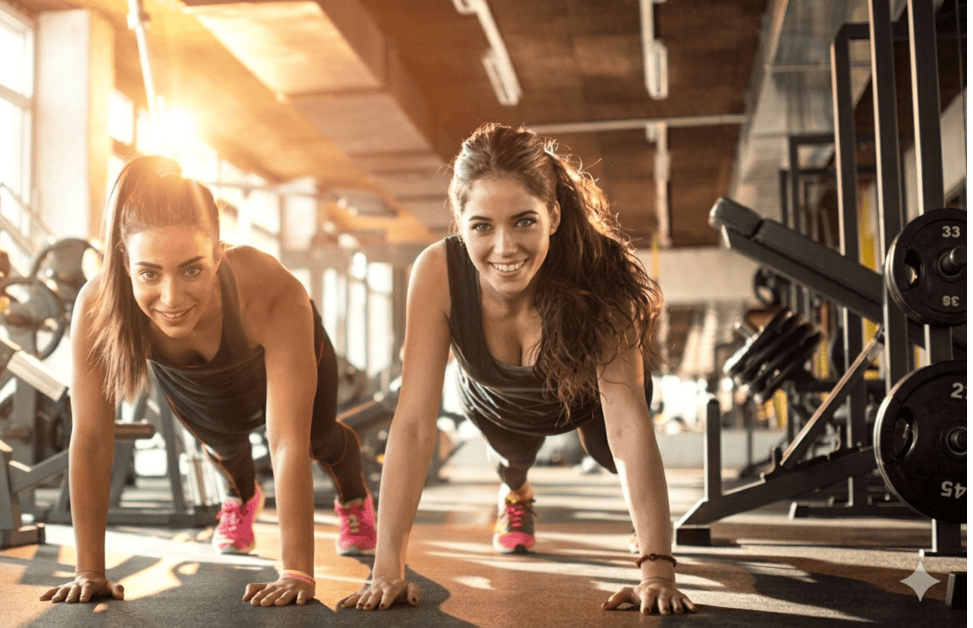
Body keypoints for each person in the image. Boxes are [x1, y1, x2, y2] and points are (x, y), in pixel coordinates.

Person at [339, 124, 696, 615]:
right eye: (482, 226)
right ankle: (516, 494)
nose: (504, 247)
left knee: (613, 456)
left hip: (589, 399)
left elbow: (629, 424)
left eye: (523, 221)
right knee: (512, 460)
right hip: (495, 402)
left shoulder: (603, 276)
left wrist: (656, 567)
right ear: (460, 223)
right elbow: (415, 425)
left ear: (552, 214)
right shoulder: (437, 273)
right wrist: (386, 571)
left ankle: (638, 530)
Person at [40, 155, 376, 606]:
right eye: (149, 274)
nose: (172, 298)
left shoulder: (267, 286)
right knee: (225, 446)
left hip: (282, 352)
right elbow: (92, 440)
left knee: (316, 438)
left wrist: (296, 572)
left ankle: (353, 498)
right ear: (124, 261)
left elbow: (285, 442)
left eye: (192, 269)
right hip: (200, 377)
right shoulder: (98, 305)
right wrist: (89, 571)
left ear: (219, 252)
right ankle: (240, 500)